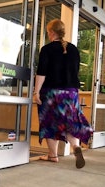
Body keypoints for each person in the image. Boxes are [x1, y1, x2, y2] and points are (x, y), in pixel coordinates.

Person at [33, 19, 93, 169]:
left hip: (51, 92)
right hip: (70, 93)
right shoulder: (73, 49)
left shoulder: (47, 49)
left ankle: (52, 155)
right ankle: (75, 146)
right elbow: (75, 73)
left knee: (49, 122)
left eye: (48, 32)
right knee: (69, 122)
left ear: (52, 32)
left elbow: (42, 73)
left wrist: (36, 92)